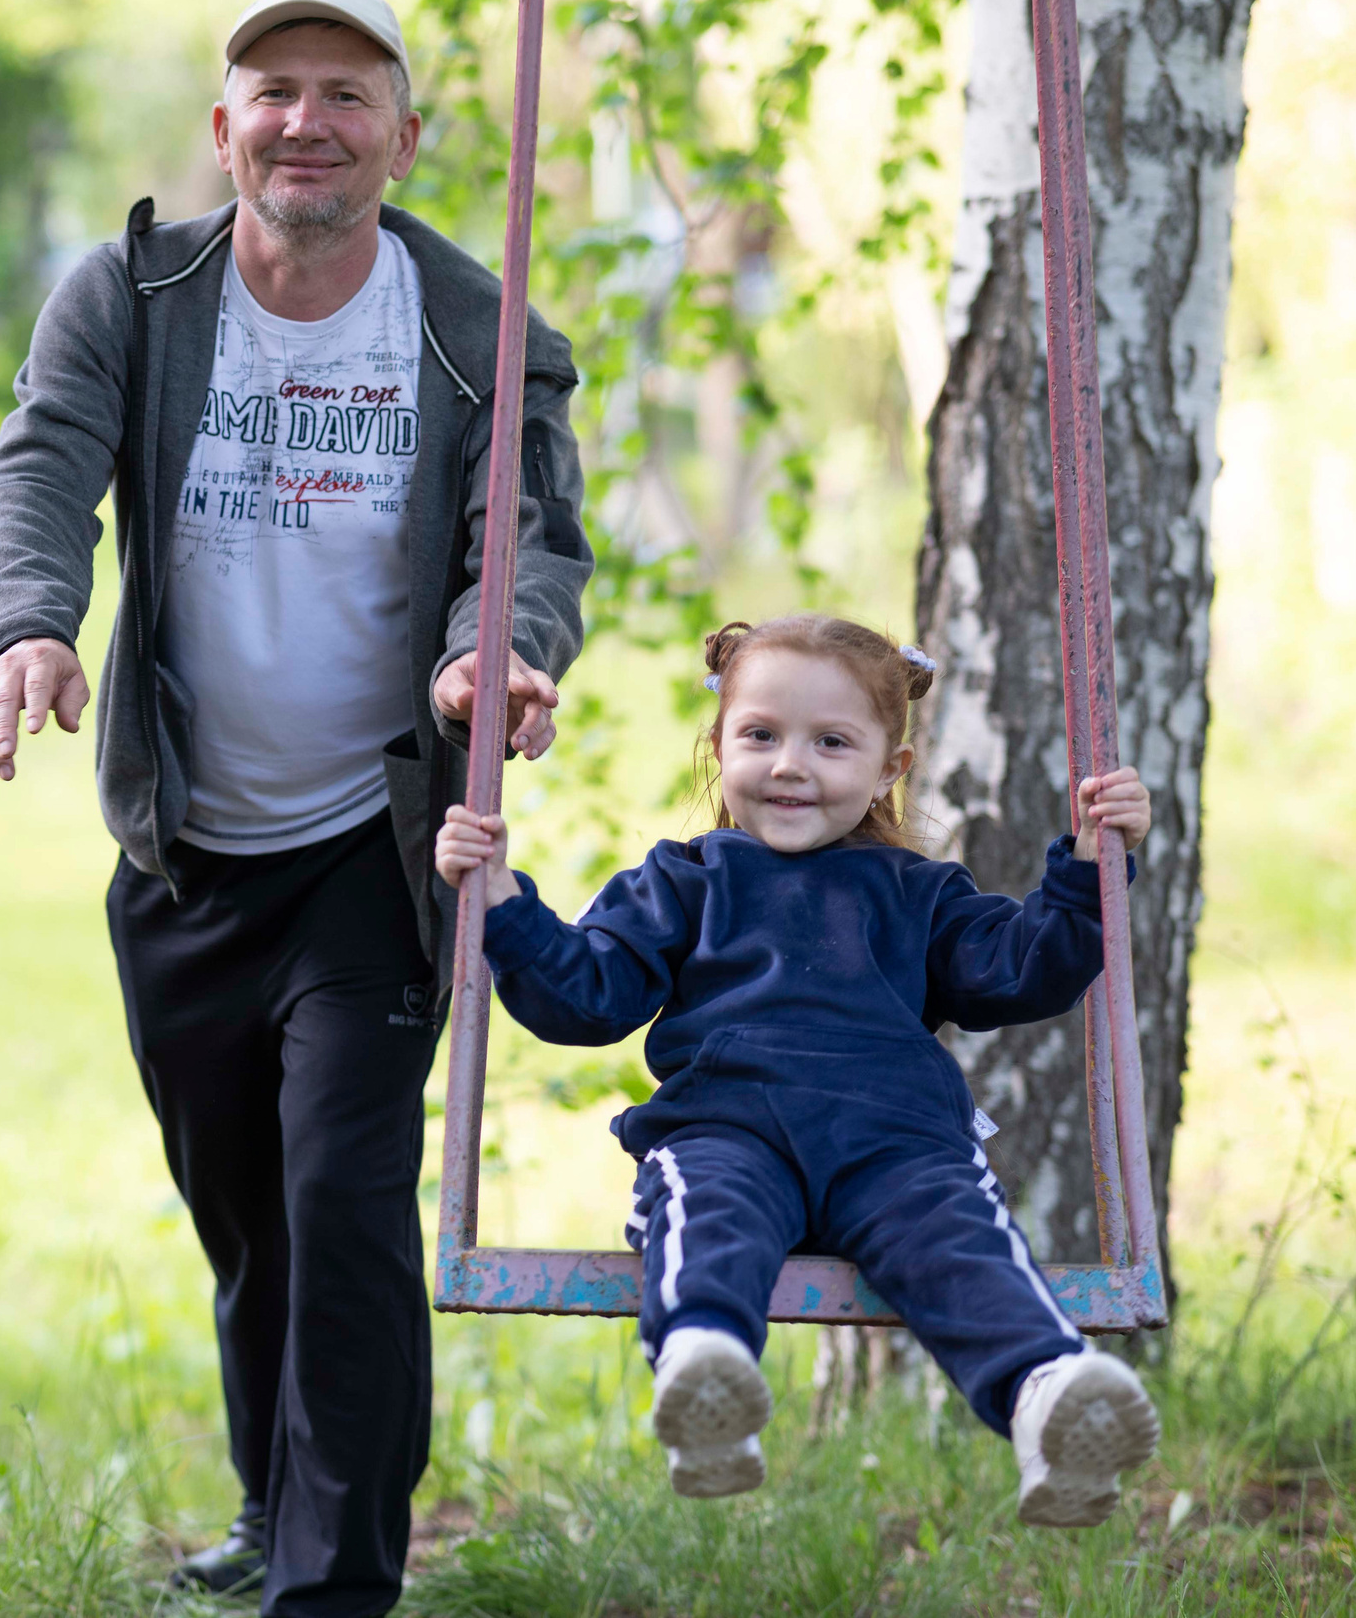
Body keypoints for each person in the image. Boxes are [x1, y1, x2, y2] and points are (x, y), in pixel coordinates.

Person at [0, 0, 592, 1616]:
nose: (305, 120)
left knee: (342, 1200)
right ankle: (270, 1502)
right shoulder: (135, 294)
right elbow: (39, 463)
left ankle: (337, 1579)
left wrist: (495, 654)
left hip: (371, 848)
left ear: (402, 134)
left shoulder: (476, 324)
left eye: (345, 91)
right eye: (273, 88)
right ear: (224, 124)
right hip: (185, 845)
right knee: (249, 1218)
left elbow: (519, 543)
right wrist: (29, 622)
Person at [433, 614, 1162, 1527]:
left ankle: (1047, 1394)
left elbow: (1024, 967)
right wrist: (502, 897)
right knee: (708, 1212)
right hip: (726, 1126)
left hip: (896, 1140)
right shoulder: (687, 881)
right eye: (761, 735)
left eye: (831, 742)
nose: (790, 765)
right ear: (719, 745)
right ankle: (706, 1376)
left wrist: (1090, 869)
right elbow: (586, 994)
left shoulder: (919, 892)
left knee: (958, 1242)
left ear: (888, 768)